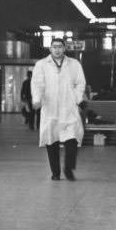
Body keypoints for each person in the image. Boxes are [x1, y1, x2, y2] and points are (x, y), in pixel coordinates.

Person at [31, 37, 86, 181]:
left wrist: (78, 99)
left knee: (72, 139)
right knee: (52, 140)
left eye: (60, 47)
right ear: (50, 49)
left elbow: (80, 83)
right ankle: (55, 173)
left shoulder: (74, 64)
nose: (57, 49)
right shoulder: (41, 65)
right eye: (54, 47)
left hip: (69, 107)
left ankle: (68, 168)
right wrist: (36, 99)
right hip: (50, 108)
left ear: (64, 48)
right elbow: (37, 84)